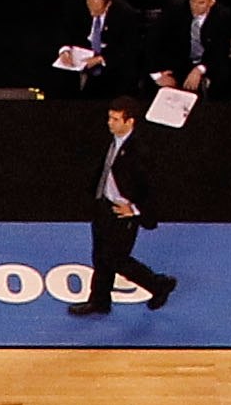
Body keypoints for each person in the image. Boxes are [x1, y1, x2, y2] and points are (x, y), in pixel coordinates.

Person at [71, 102, 178, 318]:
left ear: (130, 121)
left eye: (115, 119)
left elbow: (154, 187)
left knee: (116, 258)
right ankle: (99, 301)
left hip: (123, 212)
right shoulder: (112, 140)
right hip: (104, 205)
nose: (109, 123)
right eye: (109, 118)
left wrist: (136, 209)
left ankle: (158, 285)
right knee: (100, 256)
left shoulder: (140, 151)